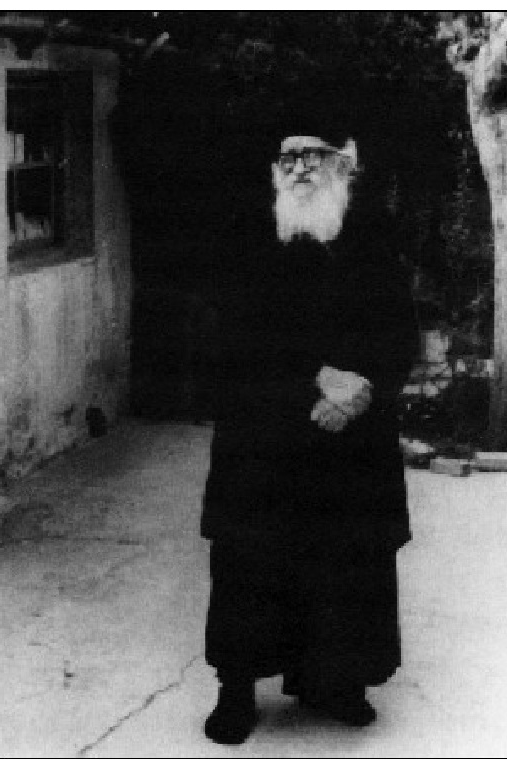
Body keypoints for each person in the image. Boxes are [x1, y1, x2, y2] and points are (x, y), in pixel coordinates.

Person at [200, 129, 417, 744]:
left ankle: (336, 680)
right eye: (288, 158)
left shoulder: (372, 238)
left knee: (345, 559)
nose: (298, 168)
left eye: (312, 156)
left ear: (340, 167)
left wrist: (364, 390)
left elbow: (400, 329)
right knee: (250, 562)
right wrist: (312, 381)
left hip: (351, 438)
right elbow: (228, 337)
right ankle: (236, 691)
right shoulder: (249, 236)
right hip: (263, 433)